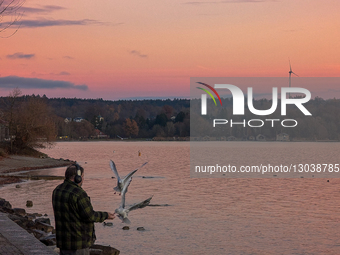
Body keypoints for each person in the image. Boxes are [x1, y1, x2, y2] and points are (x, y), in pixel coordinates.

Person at [52, 163, 115, 255]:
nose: (83, 179)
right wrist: (106, 215)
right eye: (82, 176)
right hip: (78, 243)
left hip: (63, 242)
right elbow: (89, 216)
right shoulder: (79, 194)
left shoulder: (57, 190)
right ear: (78, 178)